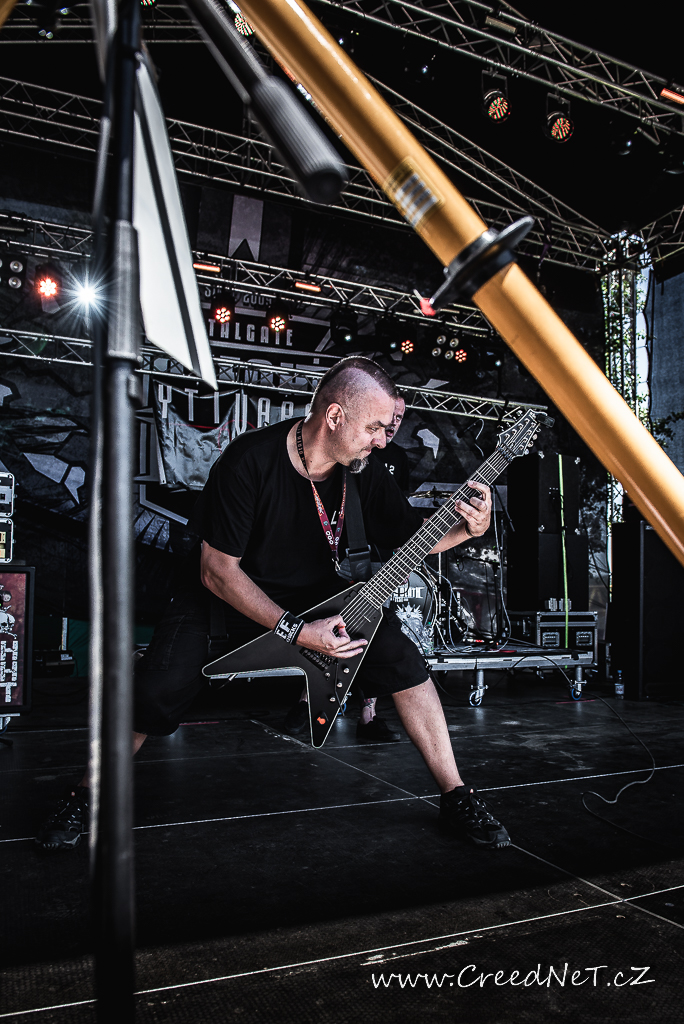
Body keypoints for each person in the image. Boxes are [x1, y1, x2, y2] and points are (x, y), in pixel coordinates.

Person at [37, 357, 510, 852]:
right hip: (223, 600)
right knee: (155, 690)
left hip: (318, 601)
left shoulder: (363, 472)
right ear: (334, 417)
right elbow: (217, 571)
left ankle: (456, 794)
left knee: (405, 662)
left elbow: (411, 538)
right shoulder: (250, 460)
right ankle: (84, 795)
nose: (381, 440)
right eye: (373, 427)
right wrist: (297, 633)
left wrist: (467, 530)